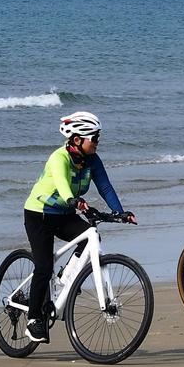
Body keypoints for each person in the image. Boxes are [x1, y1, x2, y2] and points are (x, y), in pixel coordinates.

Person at [21, 111, 136, 344]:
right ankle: (34, 320)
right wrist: (74, 201)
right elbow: (63, 187)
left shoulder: (92, 160)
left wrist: (120, 211)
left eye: (97, 137)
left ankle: (66, 279)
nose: (97, 142)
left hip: (64, 215)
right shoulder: (59, 158)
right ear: (77, 140)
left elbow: (105, 187)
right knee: (43, 267)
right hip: (39, 215)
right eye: (94, 138)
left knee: (90, 237)